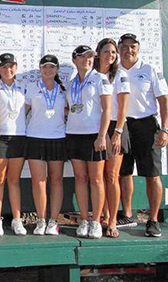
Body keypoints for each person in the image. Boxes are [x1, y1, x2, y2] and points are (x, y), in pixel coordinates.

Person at [118, 33, 168, 237]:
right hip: (122, 126)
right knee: (124, 172)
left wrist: (164, 129)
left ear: (138, 48)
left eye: (133, 46)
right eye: (125, 46)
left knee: (152, 174)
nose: (128, 50)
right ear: (119, 48)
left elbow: (164, 101)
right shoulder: (114, 70)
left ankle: (153, 219)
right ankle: (128, 215)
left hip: (147, 125)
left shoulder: (149, 69)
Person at [67, 45, 112, 239]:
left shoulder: (100, 79)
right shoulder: (71, 82)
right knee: (80, 178)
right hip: (74, 134)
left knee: (96, 179)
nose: (88, 60)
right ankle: (84, 219)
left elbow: (107, 110)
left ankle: (96, 221)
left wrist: (102, 135)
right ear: (74, 60)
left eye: (90, 57)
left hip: (94, 134)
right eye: (83, 57)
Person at [25, 54, 67, 236]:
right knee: (39, 181)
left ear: (57, 69)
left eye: (52, 67)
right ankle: (41, 220)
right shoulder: (32, 88)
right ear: (40, 69)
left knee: (56, 180)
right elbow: (23, 112)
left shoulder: (64, 89)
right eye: (45, 67)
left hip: (58, 138)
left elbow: (70, 111)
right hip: (35, 137)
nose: (48, 70)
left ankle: (53, 220)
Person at [93, 38, 130, 238]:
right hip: (94, 129)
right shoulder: (91, 74)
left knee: (112, 176)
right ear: (98, 53)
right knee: (98, 177)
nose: (110, 55)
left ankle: (113, 220)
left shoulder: (121, 75)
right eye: (106, 51)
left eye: (113, 52)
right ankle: (103, 216)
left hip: (114, 129)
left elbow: (123, 107)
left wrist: (117, 132)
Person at [0, 53, 27, 236]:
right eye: (4, 67)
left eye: (11, 66)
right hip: (1, 137)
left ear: (16, 68)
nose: (8, 70)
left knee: (14, 181)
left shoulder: (24, 87)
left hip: (19, 137)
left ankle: (17, 219)